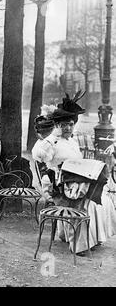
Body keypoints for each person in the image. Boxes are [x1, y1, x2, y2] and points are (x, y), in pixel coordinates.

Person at [34, 92, 116, 255]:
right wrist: (51, 138)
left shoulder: (72, 142)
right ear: (57, 125)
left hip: (75, 185)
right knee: (90, 204)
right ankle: (81, 244)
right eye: (63, 125)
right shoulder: (51, 142)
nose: (68, 128)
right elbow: (38, 155)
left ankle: (94, 238)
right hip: (58, 186)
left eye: (71, 124)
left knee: (102, 200)